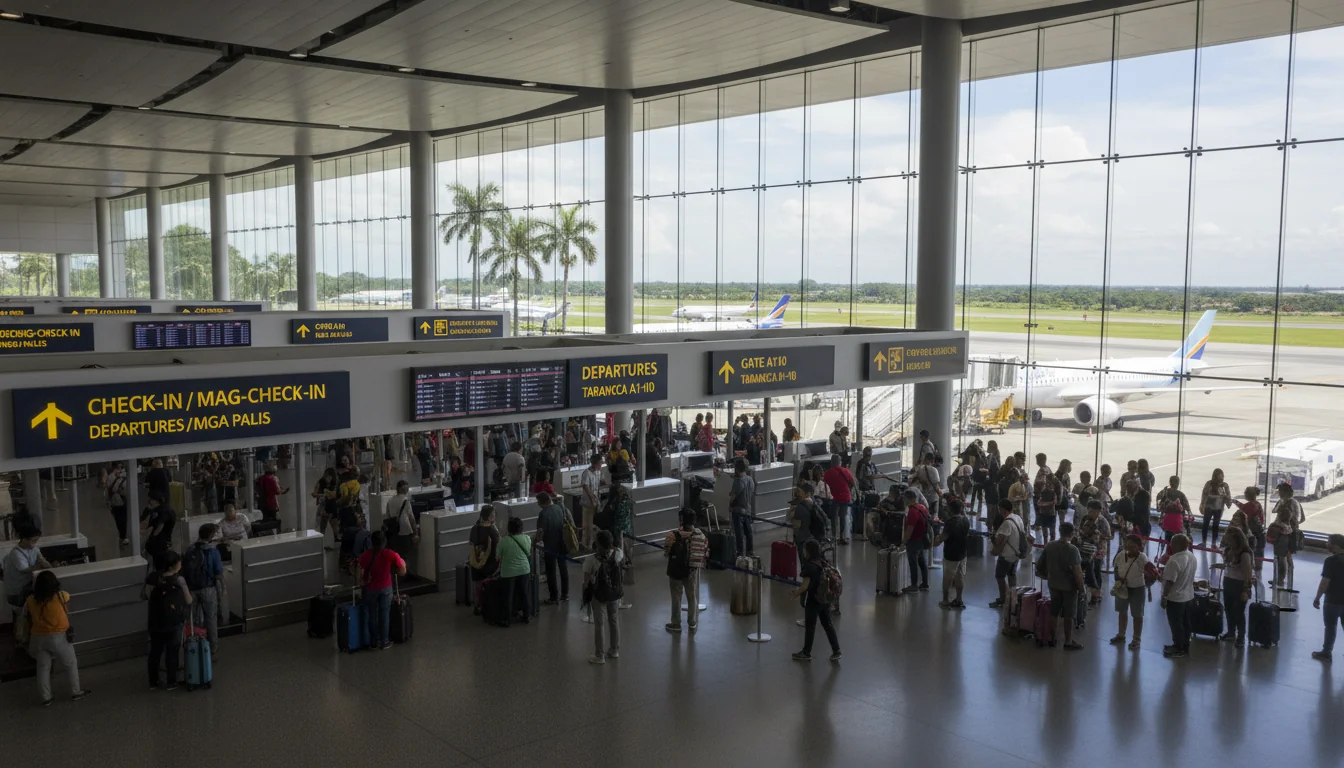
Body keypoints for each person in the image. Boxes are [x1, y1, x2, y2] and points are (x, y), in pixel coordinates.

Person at [23, 571, 90, 706]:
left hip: (38, 637)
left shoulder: (30, 600)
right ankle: (76, 692)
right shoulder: (61, 596)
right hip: (58, 636)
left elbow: (26, 615)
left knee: (43, 666)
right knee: (70, 663)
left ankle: (46, 698)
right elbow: (67, 609)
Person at [145, 551, 193, 690]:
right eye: (179, 562)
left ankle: (153, 682)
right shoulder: (179, 580)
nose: (180, 564)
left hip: (155, 621)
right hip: (174, 621)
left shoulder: (152, 578)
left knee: (155, 651)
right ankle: (171, 682)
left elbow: (144, 595)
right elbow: (188, 600)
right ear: (172, 566)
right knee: (172, 651)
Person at [791, 538, 843, 662]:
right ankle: (836, 650)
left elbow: (804, 586)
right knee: (827, 624)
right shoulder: (822, 562)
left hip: (813, 600)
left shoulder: (808, 566)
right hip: (824, 599)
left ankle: (806, 652)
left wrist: (795, 594)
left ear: (808, 551)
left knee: (810, 626)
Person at [357, 531, 407, 650]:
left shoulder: (365, 555)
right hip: (385, 588)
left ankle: (374, 641)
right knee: (384, 614)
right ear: (384, 542)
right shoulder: (388, 554)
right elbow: (402, 567)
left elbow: (358, 569)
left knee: (372, 614)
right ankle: (384, 641)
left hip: (370, 589)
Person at [182, 523, 224, 658]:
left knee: (191, 619)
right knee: (210, 619)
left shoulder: (189, 550)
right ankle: (212, 649)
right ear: (211, 536)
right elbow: (218, 573)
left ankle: (191, 646)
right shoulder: (212, 551)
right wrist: (222, 588)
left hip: (191, 590)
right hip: (208, 589)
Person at [1041, 521, 1085, 650]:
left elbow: (1041, 564)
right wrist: (1081, 589)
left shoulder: (1050, 545)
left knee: (1054, 612)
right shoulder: (1072, 550)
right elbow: (1077, 572)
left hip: (1053, 583)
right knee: (1069, 614)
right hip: (1068, 587)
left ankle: (1051, 638)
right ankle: (1068, 641)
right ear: (1072, 534)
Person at [664, 509, 707, 634]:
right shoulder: (700, 535)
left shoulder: (672, 535)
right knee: (692, 596)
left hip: (675, 571)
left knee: (676, 597)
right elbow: (704, 551)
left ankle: (676, 623)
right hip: (691, 571)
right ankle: (692, 622)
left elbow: (666, 551)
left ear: (681, 520)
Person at [584, 530, 623, 664]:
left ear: (598, 544)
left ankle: (599, 655)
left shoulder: (591, 560)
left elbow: (586, 581)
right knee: (613, 620)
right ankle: (614, 650)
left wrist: (585, 594)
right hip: (614, 593)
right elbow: (619, 549)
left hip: (599, 595)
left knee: (599, 624)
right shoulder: (618, 554)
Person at [1110, 534, 1149, 651]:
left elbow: (1149, 575)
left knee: (1137, 614)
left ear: (1139, 547)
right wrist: (1118, 578)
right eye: (1128, 546)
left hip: (1138, 588)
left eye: (1133, 547)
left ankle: (1136, 639)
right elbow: (1116, 569)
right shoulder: (1121, 555)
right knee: (1122, 612)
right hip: (1123, 588)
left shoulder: (1143, 558)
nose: (1130, 549)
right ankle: (1121, 634)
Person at [1161, 534, 1198, 658]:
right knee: (1186, 623)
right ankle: (1184, 645)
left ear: (1177, 545)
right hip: (1189, 595)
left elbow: (1170, 581)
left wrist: (1164, 597)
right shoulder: (1191, 556)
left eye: (1172, 543)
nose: (1170, 545)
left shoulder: (1174, 560)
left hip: (1175, 597)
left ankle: (1178, 648)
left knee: (1176, 624)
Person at [535, 491, 574, 604]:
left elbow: (540, 531)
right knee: (563, 568)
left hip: (550, 546)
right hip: (562, 543)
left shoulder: (543, 514)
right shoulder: (559, 508)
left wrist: (536, 541)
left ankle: (554, 596)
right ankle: (565, 594)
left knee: (550, 571)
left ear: (541, 503)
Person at [1312, 534, 1344, 662]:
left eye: (1329, 542)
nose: (1327, 544)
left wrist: (1317, 598)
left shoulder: (1331, 561)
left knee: (1331, 626)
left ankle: (1327, 652)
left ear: (1335, 545)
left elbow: (1325, 581)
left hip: (1332, 600)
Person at [990, 499, 1027, 609]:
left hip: (1006, 556)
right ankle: (1013, 599)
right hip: (1017, 554)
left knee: (1000, 576)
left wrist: (995, 551)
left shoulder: (1007, 523)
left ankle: (1003, 599)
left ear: (1002, 510)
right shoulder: (1018, 518)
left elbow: (1002, 541)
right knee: (1012, 576)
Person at [1220, 526, 1254, 646]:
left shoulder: (1245, 555)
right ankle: (1230, 632)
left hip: (1240, 584)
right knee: (1228, 609)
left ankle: (1241, 636)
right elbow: (1227, 565)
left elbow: (1247, 574)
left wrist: (1246, 589)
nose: (1228, 542)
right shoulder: (1228, 550)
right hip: (1228, 581)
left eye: (1230, 540)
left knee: (1238, 611)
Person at [497, 517, 534, 626]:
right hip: (524, 570)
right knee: (524, 593)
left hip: (508, 572)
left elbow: (497, 558)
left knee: (508, 596)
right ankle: (527, 616)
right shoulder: (527, 538)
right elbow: (528, 552)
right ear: (521, 528)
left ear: (509, 528)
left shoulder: (503, 541)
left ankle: (507, 620)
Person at [936, 498, 970, 609]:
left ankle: (945, 600)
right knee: (959, 576)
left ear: (950, 509)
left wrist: (936, 539)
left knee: (948, 577)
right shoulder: (966, 520)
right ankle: (959, 599)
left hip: (951, 554)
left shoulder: (950, 522)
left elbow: (942, 538)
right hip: (962, 553)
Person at [1270, 482, 1305, 587]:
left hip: (1283, 532)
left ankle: (1280, 579)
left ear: (1285, 492)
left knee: (1282, 556)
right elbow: (1302, 518)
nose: (1278, 493)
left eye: (1280, 490)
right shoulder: (1295, 502)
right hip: (1291, 531)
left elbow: (1275, 511)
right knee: (1287, 555)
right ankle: (1288, 576)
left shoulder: (1287, 503)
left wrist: (1287, 526)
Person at [1077, 500, 1111, 607]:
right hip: (1086, 549)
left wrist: (1098, 535)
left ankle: (1096, 596)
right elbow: (1080, 530)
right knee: (1086, 571)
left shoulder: (1103, 521)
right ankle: (1085, 593)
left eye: (1092, 511)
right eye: (1089, 511)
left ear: (1098, 511)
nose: (1090, 513)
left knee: (1096, 571)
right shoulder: (1085, 518)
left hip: (1098, 550)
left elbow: (1109, 536)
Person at [467, 506, 501, 614]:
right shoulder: (492, 530)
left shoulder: (474, 528)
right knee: (487, 585)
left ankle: (477, 605)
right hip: (489, 564)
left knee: (478, 585)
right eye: (493, 515)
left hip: (475, 562)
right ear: (490, 517)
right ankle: (487, 606)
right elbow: (498, 547)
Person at [792, 481, 829, 574]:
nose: (798, 493)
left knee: (805, 562)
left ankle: (807, 582)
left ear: (806, 493)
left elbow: (797, 526)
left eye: (800, 491)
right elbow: (825, 519)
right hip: (815, 537)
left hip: (803, 538)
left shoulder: (799, 507)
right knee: (815, 560)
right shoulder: (814, 503)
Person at [900, 489, 932, 594]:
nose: (904, 501)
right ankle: (925, 583)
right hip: (922, 539)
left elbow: (910, 529)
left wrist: (904, 542)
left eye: (905, 499)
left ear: (910, 499)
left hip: (914, 541)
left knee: (913, 563)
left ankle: (914, 585)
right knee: (922, 562)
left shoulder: (912, 512)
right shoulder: (922, 507)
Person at [823, 454, 856, 545]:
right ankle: (842, 537)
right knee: (843, 517)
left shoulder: (828, 473)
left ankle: (834, 536)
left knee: (834, 517)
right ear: (840, 462)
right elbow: (852, 483)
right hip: (845, 497)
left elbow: (825, 485)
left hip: (833, 497)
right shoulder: (845, 471)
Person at [1232, 486, 1266, 572]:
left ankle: (1250, 568)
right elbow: (1262, 519)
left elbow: (1243, 509)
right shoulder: (1257, 504)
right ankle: (1258, 569)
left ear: (1247, 495)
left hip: (1252, 532)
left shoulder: (1249, 505)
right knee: (1259, 551)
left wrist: (1233, 501)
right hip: (1260, 531)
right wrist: (1235, 501)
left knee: (1250, 550)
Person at [729, 459, 757, 557]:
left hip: (738, 511)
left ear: (736, 468)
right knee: (748, 532)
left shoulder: (738, 481)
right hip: (748, 510)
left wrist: (729, 504)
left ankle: (740, 553)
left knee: (739, 533)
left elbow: (732, 498)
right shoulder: (750, 479)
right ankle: (750, 552)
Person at [1199, 468, 1233, 547]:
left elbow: (1228, 496)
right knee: (1205, 524)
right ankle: (1204, 542)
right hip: (1208, 507)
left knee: (1216, 525)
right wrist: (1202, 504)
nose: (1220, 478)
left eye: (1221, 477)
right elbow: (1204, 494)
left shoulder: (1225, 485)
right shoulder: (1209, 484)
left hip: (1218, 508)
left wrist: (1228, 501)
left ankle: (1213, 543)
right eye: (1218, 476)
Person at [141, 493, 176, 562]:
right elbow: (144, 525)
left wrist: (151, 536)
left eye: (150, 500)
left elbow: (159, 527)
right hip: (156, 544)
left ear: (156, 501)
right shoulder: (155, 510)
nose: (149, 502)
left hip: (160, 545)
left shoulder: (164, 511)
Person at [1156, 476, 1191, 542]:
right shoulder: (1181, 495)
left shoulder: (1163, 493)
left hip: (1166, 521)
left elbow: (1158, 508)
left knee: (1168, 539)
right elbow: (1188, 510)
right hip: (1178, 523)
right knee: (1178, 540)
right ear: (1178, 484)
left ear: (1170, 482)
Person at [312, 467, 339, 549]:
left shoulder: (335, 483)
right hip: (325, 507)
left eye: (330, 475)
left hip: (331, 506)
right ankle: (321, 544)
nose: (328, 477)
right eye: (327, 475)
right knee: (323, 526)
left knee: (334, 526)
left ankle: (335, 542)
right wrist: (322, 495)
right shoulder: (321, 482)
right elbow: (314, 493)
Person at [580, 455, 603, 550]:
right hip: (588, 504)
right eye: (600, 462)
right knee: (587, 526)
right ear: (595, 463)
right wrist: (592, 499)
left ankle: (592, 543)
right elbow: (586, 487)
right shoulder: (586, 473)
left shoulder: (597, 473)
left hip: (596, 502)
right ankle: (586, 545)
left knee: (594, 526)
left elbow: (598, 485)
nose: (601, 464)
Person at [106, 463, 130, 546]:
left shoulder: (112, 476)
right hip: (118, 501)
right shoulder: (113, 477)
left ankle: (123, 535)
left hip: (117, 501)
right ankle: (123, 535)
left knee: (120, 519)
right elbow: (114, 489)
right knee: (120, 519)